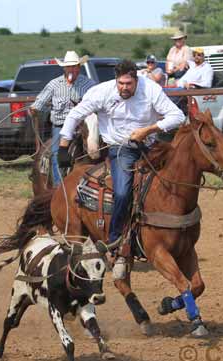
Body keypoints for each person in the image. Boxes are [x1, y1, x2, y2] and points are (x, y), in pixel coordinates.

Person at [58, 60, 185, 274]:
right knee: (122, 191)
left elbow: (178, 117)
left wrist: (149, 129)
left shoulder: (151, 89)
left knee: (175, 181)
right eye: (121, 83)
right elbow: (75, 114)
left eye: (129, 83)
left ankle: (172, 229)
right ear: (116, 80)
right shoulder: (102, 92)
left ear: (136, 80)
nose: (124, 87)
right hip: (121, 148)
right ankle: (115, 239)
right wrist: (63, 145)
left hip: (150, 145)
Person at [30, 51, 97, 186]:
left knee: (98, 151)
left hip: (84, 126)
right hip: (60, 127)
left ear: (79, 67)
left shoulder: (89, 84)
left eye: (75, 66)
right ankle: (59, 188)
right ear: (64, 68)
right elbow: (39, 104)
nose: (73, 69)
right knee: (56, 154)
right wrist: (34, 109)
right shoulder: (54, 85)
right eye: (70, 66)